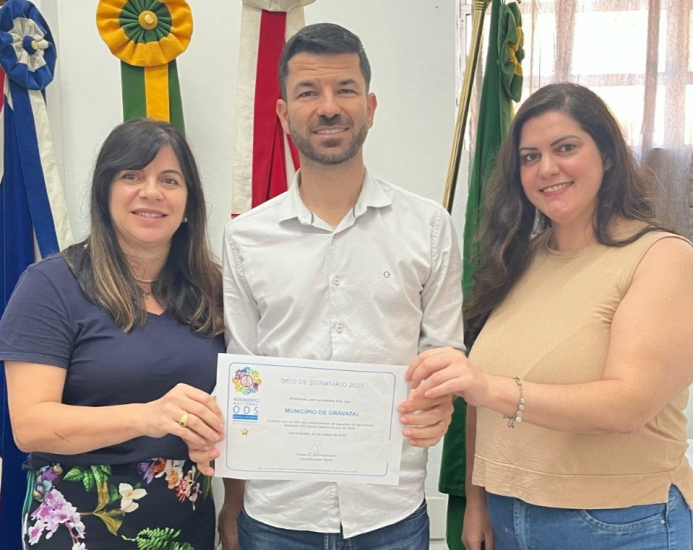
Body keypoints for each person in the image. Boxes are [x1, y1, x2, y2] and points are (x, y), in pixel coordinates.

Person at [192, 22, 463, 549]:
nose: (329, 107)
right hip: (279, 515)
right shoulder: (246, 238)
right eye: (308, 92)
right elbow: (245, 373)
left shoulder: (429, 226)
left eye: (345, 89)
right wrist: (231, 493)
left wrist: (441, 401)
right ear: (283, 113)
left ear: (371, 106)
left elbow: (444, 355)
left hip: (391, 512)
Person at [407, 82, 693, 550]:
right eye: (529, 156)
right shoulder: (518, 260)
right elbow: (481, 398)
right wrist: (477, 501)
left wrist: (488, 387)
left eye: (565, 148)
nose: (547, 168)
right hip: (507, 515)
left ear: (607, 154)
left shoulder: (662, 257)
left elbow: (628, 405)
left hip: (621, 524)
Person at [0, 118, 226, 549]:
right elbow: (30, 426)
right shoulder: (51, 286)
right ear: (104, 192)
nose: (152, 192)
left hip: (186, 525)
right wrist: (147, 416)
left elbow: (239, 399)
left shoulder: (213, 288)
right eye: (132, 176)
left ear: (189, 203)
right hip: (78, 526)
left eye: (170, 180)